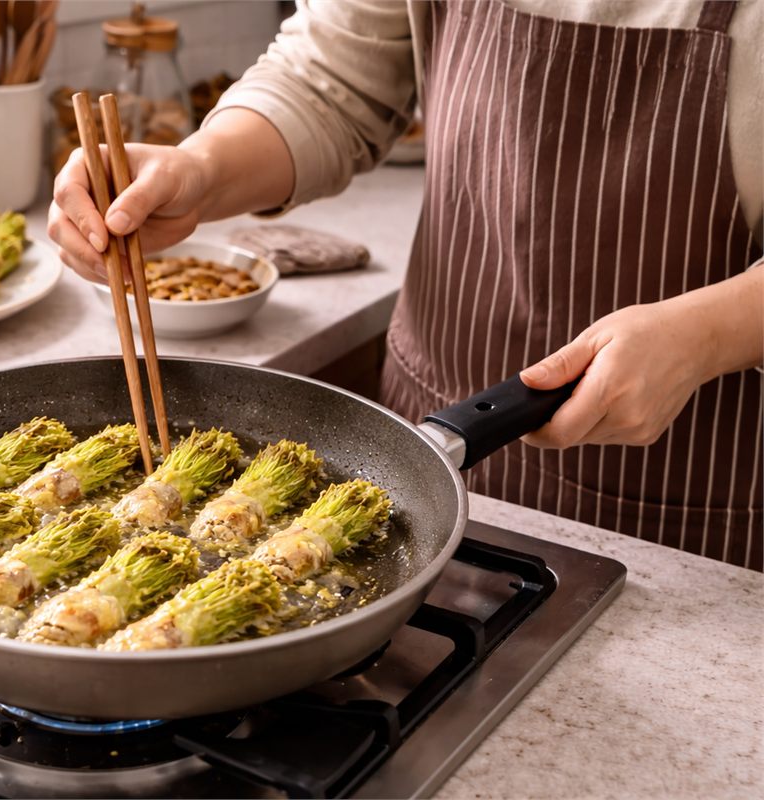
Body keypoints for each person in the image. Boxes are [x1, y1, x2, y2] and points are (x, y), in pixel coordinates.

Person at [48, 0, 762, 570]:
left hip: (697, 479)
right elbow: (332, 79)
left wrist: (706, 334)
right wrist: (201, 169)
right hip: (437, 408)